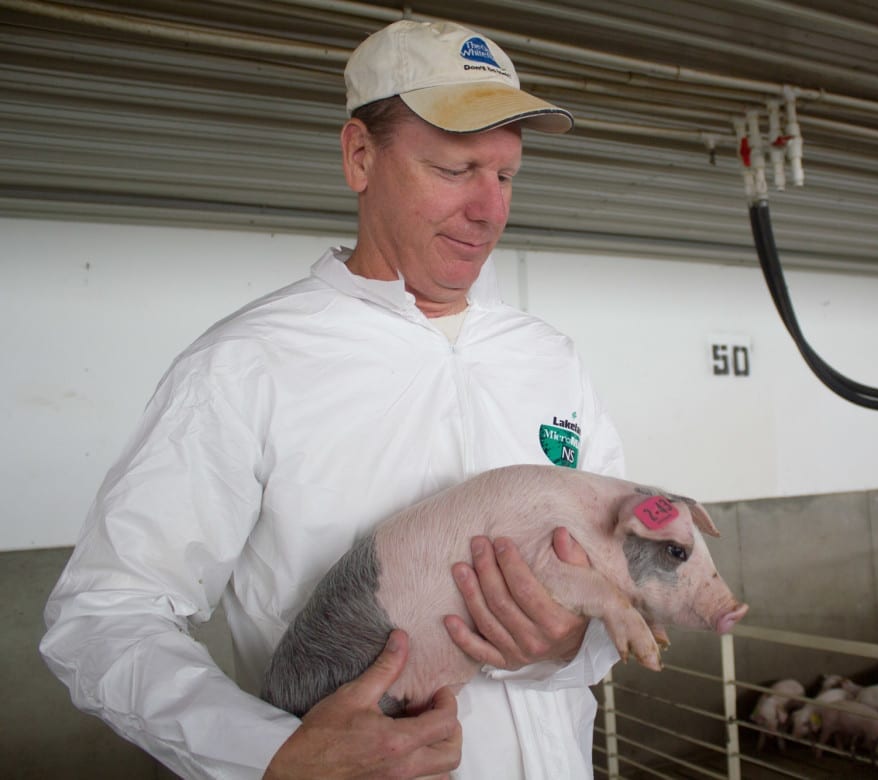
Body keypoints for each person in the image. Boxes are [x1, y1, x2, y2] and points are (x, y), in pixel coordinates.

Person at [40, 19, 626, 780]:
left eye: (506, 175)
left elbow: (612, 577)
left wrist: (569, 645)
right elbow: (103, 619)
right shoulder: (247, 363)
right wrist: (272, 754)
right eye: (455, 169)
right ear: (360, 157)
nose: (490, 209)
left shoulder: (549, 358)